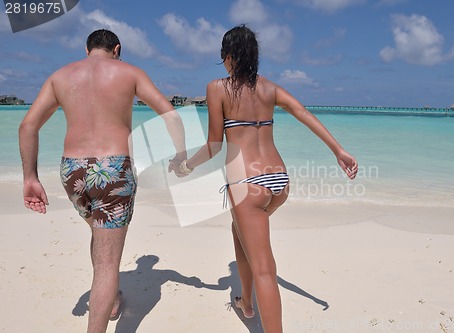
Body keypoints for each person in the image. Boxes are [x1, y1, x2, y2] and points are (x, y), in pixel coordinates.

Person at [173, 25, 358, 333]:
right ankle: (246, 304)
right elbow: (302, 112)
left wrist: (186, 166)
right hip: (278, 181)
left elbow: (214, 146)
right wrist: (338, 150)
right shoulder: (270, 88)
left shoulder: (217, 88)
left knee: (265, 270)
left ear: (228, 56)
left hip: (247, 184)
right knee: (240, 232)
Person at [19, 29, 186, 333]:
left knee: (99, 234)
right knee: (108, 263)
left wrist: (30, 177)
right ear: (117, 49)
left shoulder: (60, 76)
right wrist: (180, 155)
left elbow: (28, 126)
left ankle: (111, 301)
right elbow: (171, 116)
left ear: (87, 49)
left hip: (73, 171)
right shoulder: (130, 73)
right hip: (113, 170)